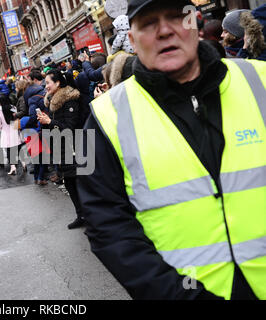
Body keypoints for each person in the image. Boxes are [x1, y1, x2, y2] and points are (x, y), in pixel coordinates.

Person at [78, 0, 266, 300]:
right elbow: (106, 227)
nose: (164, 31)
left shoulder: (260, 80)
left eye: (178, 17)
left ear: (198, 24)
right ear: (132, 40)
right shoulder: (103, 118)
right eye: (149, 23)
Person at [37, 69, 84, 230]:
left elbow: (69, 128)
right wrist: (45, 125)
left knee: (79, 184)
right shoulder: (53, 101)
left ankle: (90, 217)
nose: (45, 86)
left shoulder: (69, 100)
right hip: (61, 149)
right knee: (70, 183)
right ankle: (81, 215)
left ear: (57, 83)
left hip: (74, 149)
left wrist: (50, 122)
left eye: (48, 83)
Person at [0, 95, 25, 175]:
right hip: (15, 129)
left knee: (9, 150)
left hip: (6, 131)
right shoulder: (13, 107)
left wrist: (2, 128)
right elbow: (16, 118)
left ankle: (13, 167)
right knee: (18, 147)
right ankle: (22, 162)